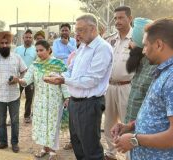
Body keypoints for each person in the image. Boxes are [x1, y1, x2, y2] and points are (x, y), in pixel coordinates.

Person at [44, 14, 113, 160]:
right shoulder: (83, 46)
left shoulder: (102, 48)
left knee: (91, 150)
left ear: (93, 29)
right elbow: (71, 69)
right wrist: (58, 74)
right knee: (78, 145)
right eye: (77, 31)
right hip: (75, 103)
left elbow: (92, 80)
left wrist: (64, 80)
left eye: (81, 30)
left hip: (89, 104)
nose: (77, 34)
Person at [111, 18, 173, 160]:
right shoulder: (165, 71)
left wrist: (134, 140)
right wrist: (130, 126)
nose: (144, 51)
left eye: (146, 45)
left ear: (159, 45)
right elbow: (160, 115)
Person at [16, 40, 69, 159]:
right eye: (37, 50)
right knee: (43, 125)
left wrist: (67, 97)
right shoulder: (35, 65)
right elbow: (27, 80)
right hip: (40, 101)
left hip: (55, 101)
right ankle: (45, 148)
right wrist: (18, 80)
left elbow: (64, 82)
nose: (39, 53)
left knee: (53, 125)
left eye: (41, 50)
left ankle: (53, 150)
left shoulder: (58, 64)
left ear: (49, 49)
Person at [0, 31, 27, 153]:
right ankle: (3, 142)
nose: (4, 45)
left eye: (6, 43)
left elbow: (25, 71)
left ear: (10, 43)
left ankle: (14, 143)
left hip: (14, 96)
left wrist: (18, 80)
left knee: (15, 121)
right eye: (2, 43)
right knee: (1, 121)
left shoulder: (17, 57)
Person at [103, 6, 134, 160]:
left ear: (130, 18)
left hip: (127, 86)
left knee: (127, 122)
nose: (117, 21)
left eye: (121, 18)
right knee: (109, 121)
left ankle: (129, 154)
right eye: (115, 18)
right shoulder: (111, 39)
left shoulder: (137, 38)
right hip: (110, 86)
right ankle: (110, 152)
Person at [124, 17, 156, 124]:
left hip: (145, 131)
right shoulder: (141, 62)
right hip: (132, 126)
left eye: (133, 41)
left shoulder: (156, 67)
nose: (129, 45)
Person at [14, 29, 37, 123]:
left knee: (29, 98)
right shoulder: (17, 49)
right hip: (18, 77)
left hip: (30, 78)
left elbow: (37, 64)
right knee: (15, 97)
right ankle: (13, 116)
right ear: (23, 38)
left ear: (32, 39)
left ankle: (27, 116)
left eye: (30, 37)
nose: (28, 39)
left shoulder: (35, 50)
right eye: (26, 37)